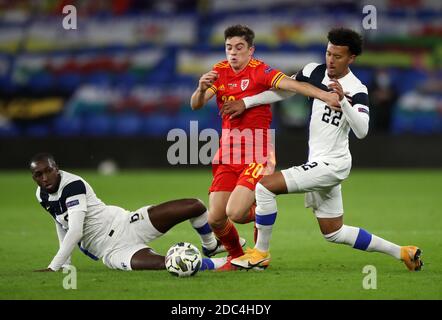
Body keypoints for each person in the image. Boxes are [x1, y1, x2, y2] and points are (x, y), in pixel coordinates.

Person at [223, 28, 423, 271]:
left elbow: (362, 130)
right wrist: (246, 102)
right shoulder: (312, 71)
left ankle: (260, 253)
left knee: (264, 187)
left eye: (337, 56)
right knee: (333, 232)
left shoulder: (357, 89)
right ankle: (403, 252)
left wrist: (344, 104)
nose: (330, 60)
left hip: (333, 163)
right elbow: (285, 90)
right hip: (319, 162)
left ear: (351, 58)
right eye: (329, 53)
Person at [190, 24, 340, 270]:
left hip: (257, 152)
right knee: (215, 218)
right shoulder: (219, 71)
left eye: (239, 48)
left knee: (236, 213)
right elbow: (196, 104)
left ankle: (262, 210)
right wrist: (200, 88)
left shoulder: (260, 71)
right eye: (229, 48)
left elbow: (294, 86)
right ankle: (236, 256)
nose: (233, 53)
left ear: (251, 50)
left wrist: (325, 96)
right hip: (228, 154)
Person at [30, 153, 228, 272]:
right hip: (113, 251)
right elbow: (61, 223)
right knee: (169, 264)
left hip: (126, 223)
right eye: (39, 174)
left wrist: (54, 266)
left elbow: (75, 231)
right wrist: (65, 264)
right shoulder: (41, 195)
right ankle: (225, 263)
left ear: (57, 168)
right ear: (34, 177)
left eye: (48, 171)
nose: (45, 177)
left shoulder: (72, 185)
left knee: (195, 206)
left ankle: (210, 245)